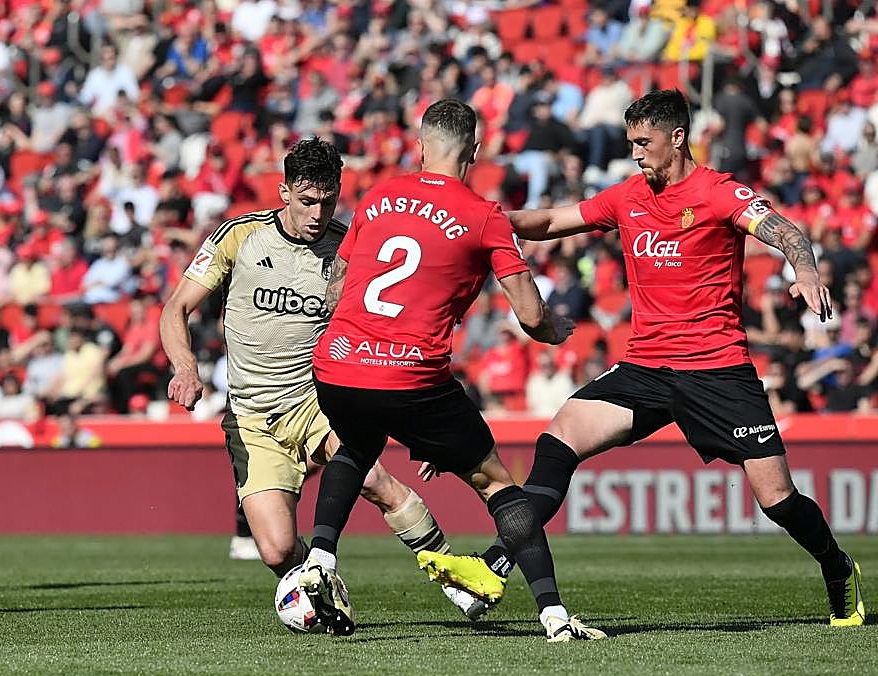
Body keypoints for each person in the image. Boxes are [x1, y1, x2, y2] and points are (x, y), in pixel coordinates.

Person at [474, 90, 863, 628]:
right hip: (646, 368)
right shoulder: (626, 197)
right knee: (559, 436)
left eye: (643, 142)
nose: (635, 153)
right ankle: (497, 559)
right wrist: (482, 220)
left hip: (717, 369)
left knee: (777, 500)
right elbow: (551, 222)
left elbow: (785, 232)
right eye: (631, 141)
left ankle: (837, 565)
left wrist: (807, 270)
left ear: (677, 138)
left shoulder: (719, 192)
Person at [304, 99, 603, 643]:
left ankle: (320, 558)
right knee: (499, 487)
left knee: (357, 445)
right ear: (476, 150)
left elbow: (337, 284)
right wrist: (556, 328)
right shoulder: (483, 215)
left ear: (420, 147)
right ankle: (555, 616)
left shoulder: (376, 197)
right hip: (412, 377)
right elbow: (531, 317)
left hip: (339, 365)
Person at [161, 138, 480, 635]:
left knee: (377, 481)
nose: (316, 213)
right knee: (276, 549)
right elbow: (176, 308)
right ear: (284, 192)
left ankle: (457, 577)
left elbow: (393, 330)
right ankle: (318, 583)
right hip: (251, 417)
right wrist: (184, 367)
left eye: (327, 202)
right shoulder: (238, 237)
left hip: (318, 403)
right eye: (306, 201)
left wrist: (423, 427)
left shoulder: (351, 246)